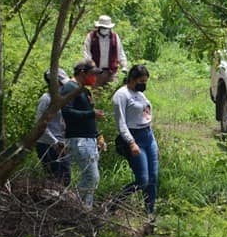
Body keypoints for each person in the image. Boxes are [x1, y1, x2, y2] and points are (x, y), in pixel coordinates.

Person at [112, 64, 159, 215]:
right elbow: (121, 123)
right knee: (142, 180)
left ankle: (149, 213)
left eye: (145, 81)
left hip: (148, 137)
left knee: (153, 178)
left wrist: (154, 143)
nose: (143, 84)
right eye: (141, 81)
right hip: (134, 138)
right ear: (132, 79)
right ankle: (115, 202)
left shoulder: (140, 94)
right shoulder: (121, 95)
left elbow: (146, 117)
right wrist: (131, 143)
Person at [61, 60, 105, 207]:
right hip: (79, 138)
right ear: (82, 73)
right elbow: (66, 112)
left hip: (89, 138)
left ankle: (86, 209)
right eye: (92, 74)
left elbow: (89, 116)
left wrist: (98, 135)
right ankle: (74, 205)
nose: (95, 78)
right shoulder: (69, 88)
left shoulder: (83, 90)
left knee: (92, 178)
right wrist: (91, 114)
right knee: (91, 176)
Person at [35, 68, 72, 185]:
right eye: (61, 84)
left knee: (66, 177)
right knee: (55, 178)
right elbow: (41, 124)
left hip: (61, 143)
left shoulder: (62, 99)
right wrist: (55, 142)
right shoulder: (46, 99)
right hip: (47, 144)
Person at [83, 14, 127, 85]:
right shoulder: (91, 37)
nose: (104, 29)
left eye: (106, 28)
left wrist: (124, 66)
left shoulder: (115, 37)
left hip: (111, 73)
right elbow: (87, 53)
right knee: (95, 94)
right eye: (102, 27)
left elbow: (120, 52)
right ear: (98, 27)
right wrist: (91, 67)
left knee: (110, 93)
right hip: (96, 72)